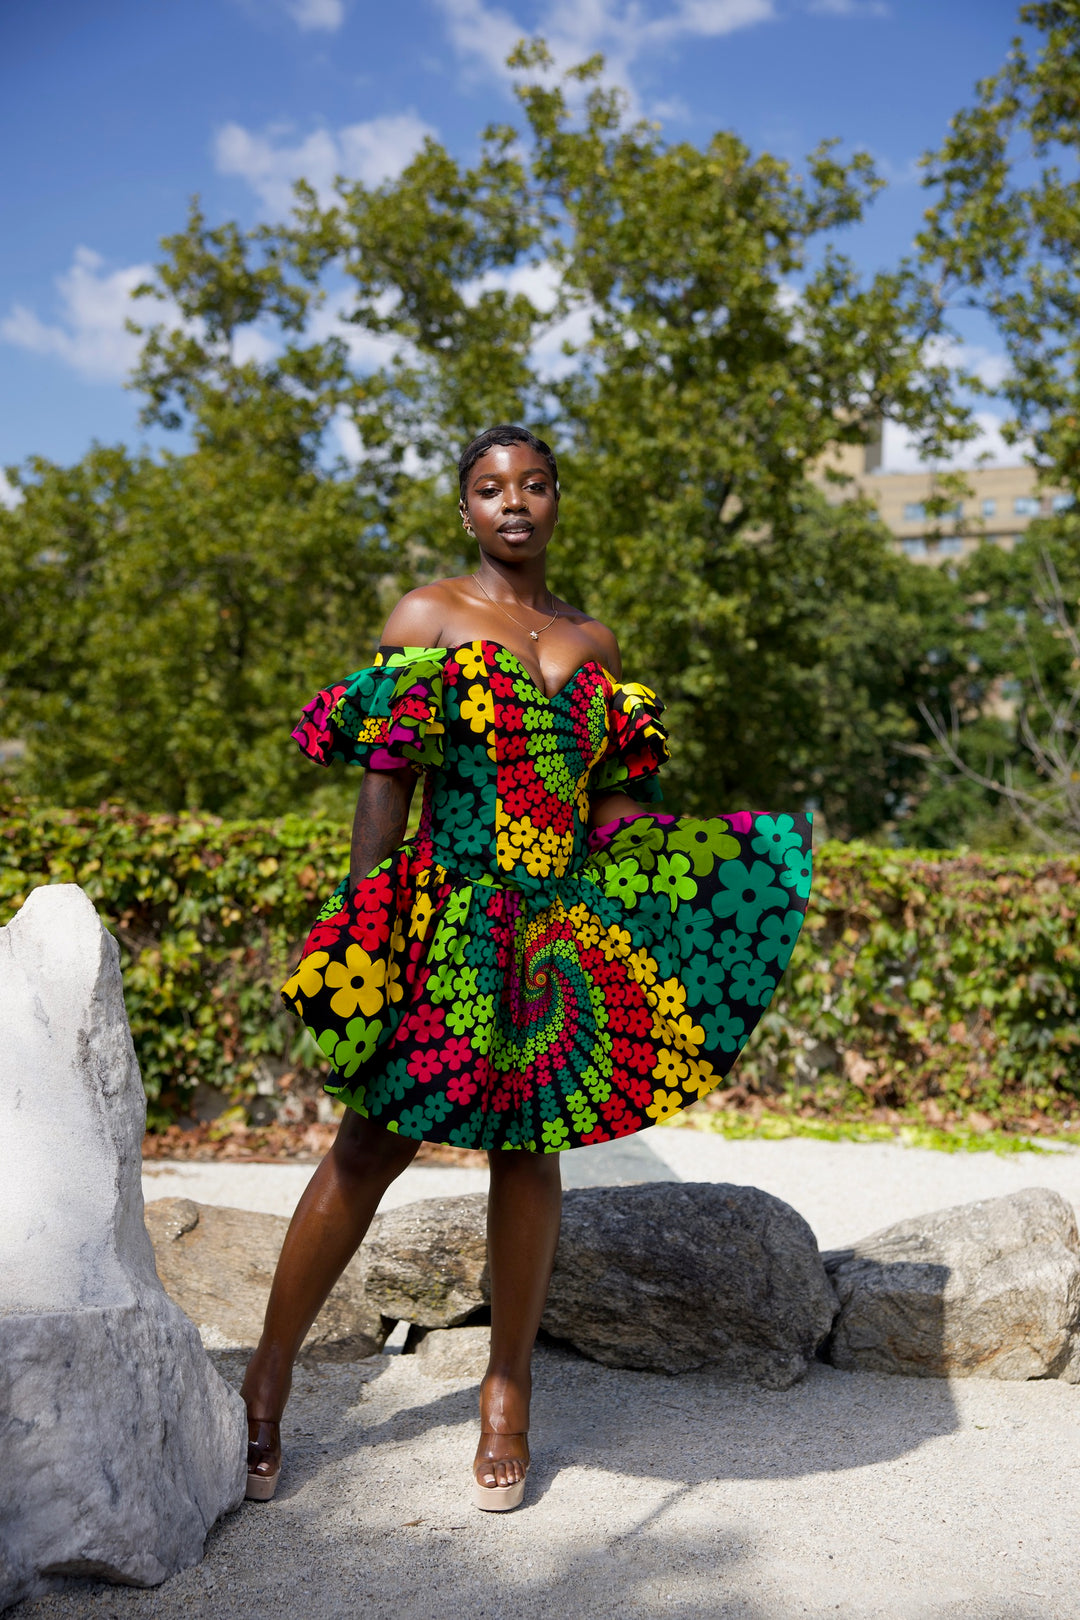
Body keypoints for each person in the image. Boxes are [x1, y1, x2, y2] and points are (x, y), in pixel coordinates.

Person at [241, 423, 812, 1511]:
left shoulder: (590, 642)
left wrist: (647, 894)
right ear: (466, 510)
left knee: (530, 1151)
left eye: (534, 485)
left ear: (557, 502)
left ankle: (507, 1395)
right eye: (491, 488)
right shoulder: (428, 616)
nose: (515, 503)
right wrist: (375, 918)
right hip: (446, 916)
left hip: (552, 933)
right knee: (370, 1140)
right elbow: (385, 783)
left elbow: (612, 804)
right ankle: (267, 1379)